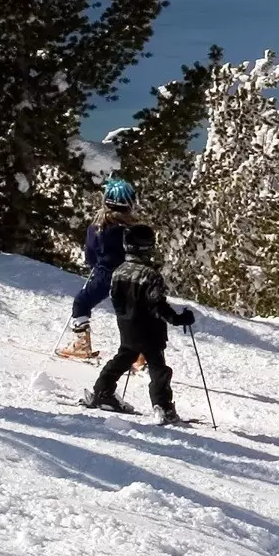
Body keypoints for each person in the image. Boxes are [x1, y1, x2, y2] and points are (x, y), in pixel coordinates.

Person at [82, 224, 196, 425]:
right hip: (150, 329)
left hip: (127, 326)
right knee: (158, 367)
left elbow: (115, 299)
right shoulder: (150, 275)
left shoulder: (119, 271)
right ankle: (163, 407)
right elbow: (157, 305)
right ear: (147, 248)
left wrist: (127, 316)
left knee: (124, 357)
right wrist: (178, 319)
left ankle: (102, 391)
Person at [57, 179, 140, 360]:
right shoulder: (133, 229)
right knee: (130, 313)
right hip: (132, 276)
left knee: (82, 302)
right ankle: (139, 354)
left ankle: (81, 344)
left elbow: (90, 255)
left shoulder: (98, 228)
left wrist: (96, 263)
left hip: (106, 275)